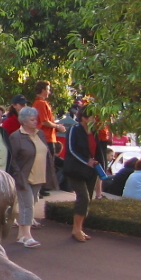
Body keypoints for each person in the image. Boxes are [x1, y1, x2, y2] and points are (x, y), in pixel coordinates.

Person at [7, 106, 58, 248]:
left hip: (39, 175)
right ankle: (27, 236)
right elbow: (12, 159)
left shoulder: (40, 134)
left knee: (30, 203)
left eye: (36, 119)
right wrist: (17, 175)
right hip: (24, 177)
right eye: (32, 119)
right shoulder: (16, 137)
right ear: (23, 121)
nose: (35, 121)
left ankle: (21, 235)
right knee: (27, 205)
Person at [63, 104, 100, 242]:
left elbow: (97, 149)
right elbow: (71, 149)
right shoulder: (74, 129)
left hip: (91, 170)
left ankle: (80, 228)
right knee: (83, 197)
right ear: (83, 117)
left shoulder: (94, 131)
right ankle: (75, 229)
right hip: (76, 169)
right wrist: (86, 161)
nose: (94, 119)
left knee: (87, 199)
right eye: (92, 116)